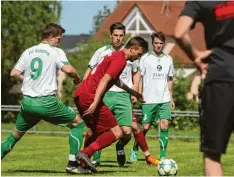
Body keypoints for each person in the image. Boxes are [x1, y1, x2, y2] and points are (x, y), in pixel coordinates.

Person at [1, 23, 88, 174]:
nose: (60, 41)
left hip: (27, 103)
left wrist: (27, 79)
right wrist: (77, 77)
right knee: (78, 124)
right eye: (58, 38)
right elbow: (68, 69)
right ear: (50, 37)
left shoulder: (28, 51)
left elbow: (14, 73)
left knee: (14, 136)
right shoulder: (55, 52)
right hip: (46, 102)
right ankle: (73, 165)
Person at [83, 22, 158, 167]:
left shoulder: (131, 52)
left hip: (123, 95)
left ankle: (120, 147)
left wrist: (135, 91)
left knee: (127, 130)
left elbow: (136, 74)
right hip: (104, 94)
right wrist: (86, 90)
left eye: (121, 35)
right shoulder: (101, 52)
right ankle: (89, 157)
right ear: (111, 35)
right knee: (96, 129)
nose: (118, 38)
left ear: (124, 36)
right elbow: (90, 70)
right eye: (115, 35)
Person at [174, 1, 234, 176]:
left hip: (221, 76)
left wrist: (196, 56)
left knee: (212, 155)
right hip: (221, 75)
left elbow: (179, 33)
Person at [74, 36, 148, 173]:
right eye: (138, 54)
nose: (138, 58)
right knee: (117, 132)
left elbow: (115, 81)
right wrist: (96, 102)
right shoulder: (120, 60)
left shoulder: (116, 56)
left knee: (96, 132)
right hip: (89, 96)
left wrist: (133, 92)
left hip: (80, 94)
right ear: (132, 49)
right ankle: (84, 154)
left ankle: (80, 166)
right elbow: (104, 81)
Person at [130, 32, 175, 161]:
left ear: (163, 44)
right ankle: (135, 147)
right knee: (145, 127)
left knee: (165, 125)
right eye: (156, 43)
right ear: (152, 43)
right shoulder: (145, 58)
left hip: (164, 99)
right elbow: (138, 76)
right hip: (149, 99)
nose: (158, 46)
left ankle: (163, 156)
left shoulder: (168, 59)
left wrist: (171, 97)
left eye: (161, 43)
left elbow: (170, 79)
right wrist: (136, 92)